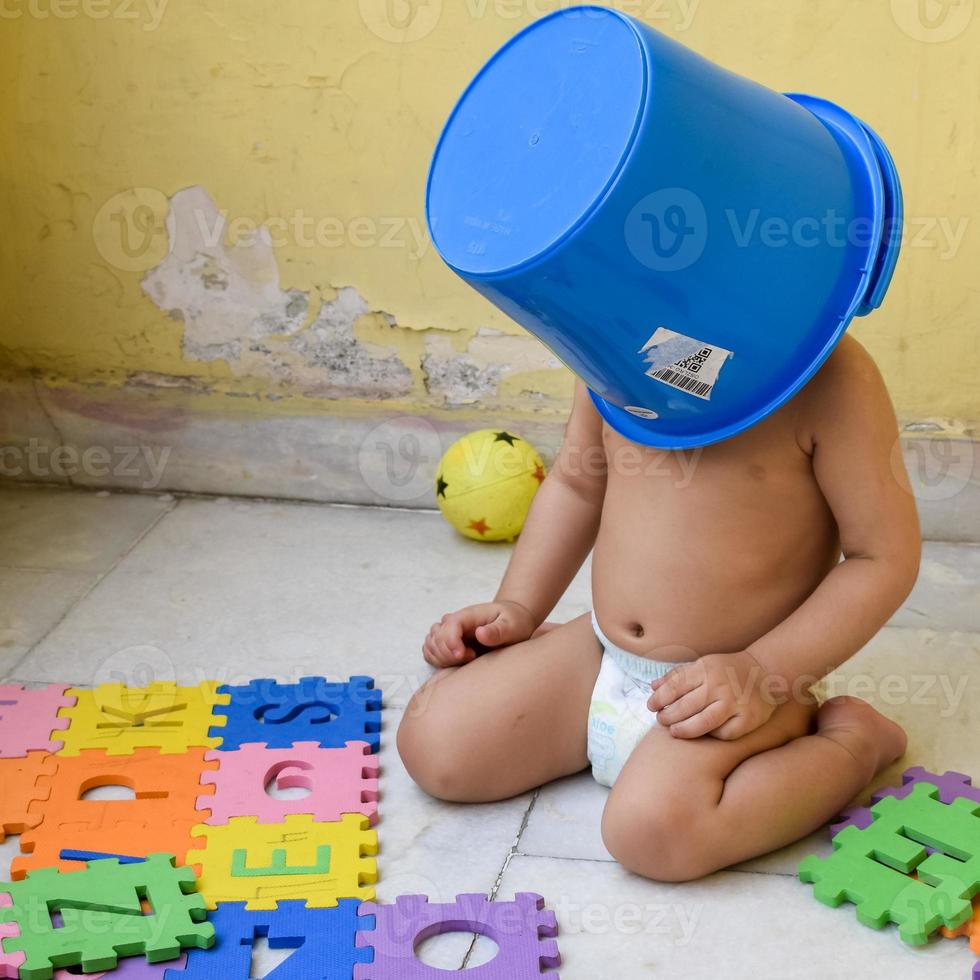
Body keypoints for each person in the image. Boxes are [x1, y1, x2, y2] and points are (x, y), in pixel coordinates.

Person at [397, 335, 920, 882]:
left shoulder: (826, 374)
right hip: (604, 652)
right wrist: (517, 606)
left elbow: (880, 558)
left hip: (739, 690)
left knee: (652, 834)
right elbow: (578, 484)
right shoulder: (611, 339)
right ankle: (554, 650)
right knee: (434, 742)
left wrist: (766, 672)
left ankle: (855, 743)